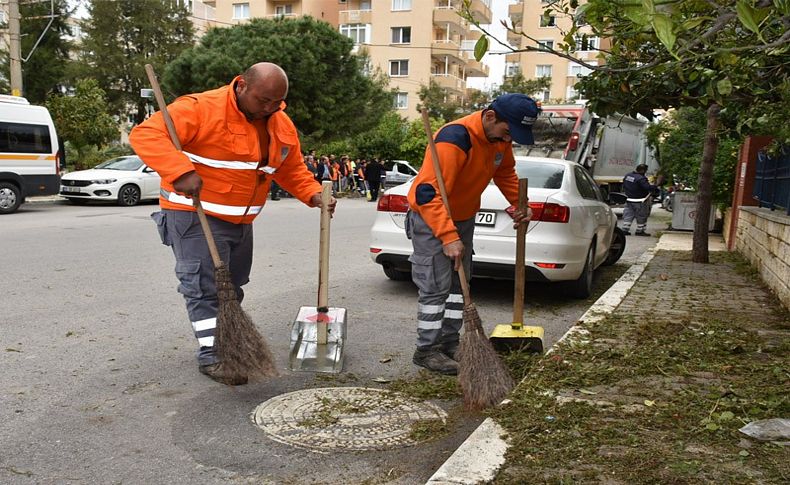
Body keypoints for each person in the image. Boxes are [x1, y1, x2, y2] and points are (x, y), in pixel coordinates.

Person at [129, 62, 337, 385]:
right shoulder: (200, 109)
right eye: (262, 100)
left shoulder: (279, 124)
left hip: (240, 220)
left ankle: (228, 341)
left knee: (231, 287)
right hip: (192, 213)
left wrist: (312, 194)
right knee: (204, 287)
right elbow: (146, 134)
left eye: (276, 103)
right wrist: (180, 171)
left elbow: (290, 168)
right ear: (241, 86)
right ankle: (213, 356)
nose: (269, 108)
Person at [406, 93, 537, 375]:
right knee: (436, 286)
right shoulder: (455, 139)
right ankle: (426, 350)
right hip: (434, 219)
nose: (508, 138)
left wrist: (520, 205)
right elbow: (427, 193)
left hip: (464, 217)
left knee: (457, 286)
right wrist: (448, 236)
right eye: (507, 131)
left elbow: (505, 174)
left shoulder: (499, 140)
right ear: (490, 117)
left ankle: (449, 343)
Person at [621, 164, 657, 236]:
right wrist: (655, 186)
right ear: (643, 170)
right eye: (645, 171)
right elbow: (647, 187)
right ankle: (640, 230)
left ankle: (625, 229)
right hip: (640, 200)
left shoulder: (628, 176)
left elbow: (624, 185)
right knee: (641, 215)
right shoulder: (641, 179)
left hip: (629, 199)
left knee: (628, 214)